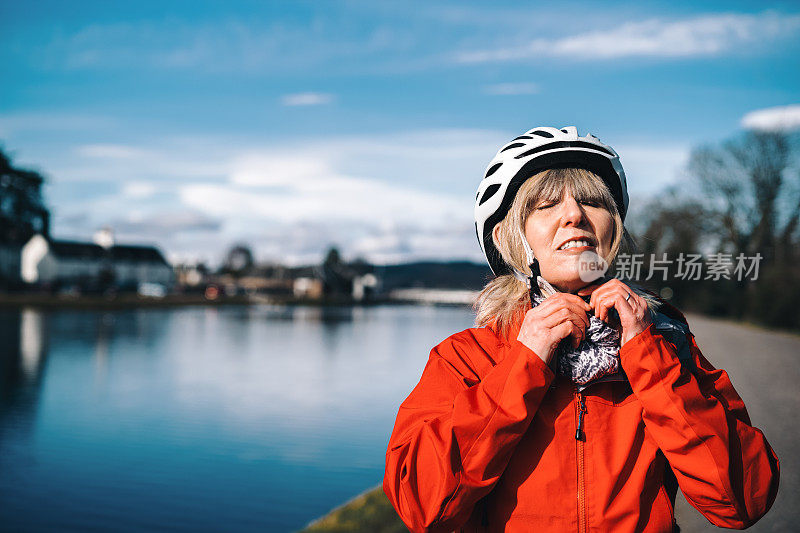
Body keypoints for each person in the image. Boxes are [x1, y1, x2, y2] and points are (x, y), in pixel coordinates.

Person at [382, 126, 780, 532]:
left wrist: (648, 357)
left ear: (614, 229)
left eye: (591, 201)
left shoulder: (666, 345)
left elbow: (742, 501)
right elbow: (422, 506)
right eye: (546, 205)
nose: (574, 215)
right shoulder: (468, 357)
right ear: (509, 238)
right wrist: (525, 362)